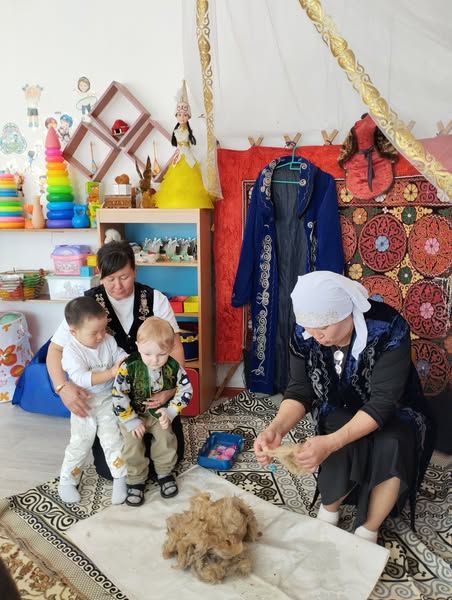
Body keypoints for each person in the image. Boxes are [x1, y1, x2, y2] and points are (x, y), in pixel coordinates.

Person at [254, 271, 434, 543]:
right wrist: (276, 429)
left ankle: (368, 529)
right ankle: (329, 512)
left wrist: (331, 443)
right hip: (341, 403)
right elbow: (300, 390)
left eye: (324, 327)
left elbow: (383, 403)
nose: (316, 335)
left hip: (396, 410)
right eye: (309, 327)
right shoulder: (306, 334)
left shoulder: (387, 328)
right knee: (334, 426)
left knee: (392, 443)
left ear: (346, 311)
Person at [47, 240, 186, 480]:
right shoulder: (86, 305)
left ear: (135, 270)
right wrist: (62, 388)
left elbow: (174, 346)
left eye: (124, 277)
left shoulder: (154, 299)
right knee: (110, 469)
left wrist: (171, 389)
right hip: (110, 398)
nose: (117, 285)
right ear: (99, 274)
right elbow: (55, 350)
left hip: (153, 391)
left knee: (169, 459)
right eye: (110, 279)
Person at [112, 316, 192, 506]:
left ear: (170, 348)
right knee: (132, 444)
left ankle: (164, 472)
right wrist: (131, 420)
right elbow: (118, 395)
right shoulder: (128, 367)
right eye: (147, 354)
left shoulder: (174, 367)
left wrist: (171, 412)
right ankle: (136, 479)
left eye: (161, 354)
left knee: (166, 438)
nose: (154, 360)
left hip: (159, 413)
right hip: (133, 413)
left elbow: (186, 390)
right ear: (138, 346)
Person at [58, 297, 128, 504]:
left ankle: (120, 478)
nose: (100, 336)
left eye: (103, 330)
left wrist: (123, 360)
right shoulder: (71, 351)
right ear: (73, 332)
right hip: (84, 402)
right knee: (80, 442)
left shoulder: (108, 340)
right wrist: (111, 372)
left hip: (108, 398)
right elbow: (81, 378)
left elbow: (119, 353)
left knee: (112, 439)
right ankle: (67, 480)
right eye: (94, 333)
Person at [154, 80, 213, 209]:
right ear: (176, 116)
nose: (182, 117)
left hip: (187, 155)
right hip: (179, 156)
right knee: (176, 181)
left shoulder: (188, 131)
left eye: (185, 115)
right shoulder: (176, 131)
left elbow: (190, 143)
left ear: (188, 116)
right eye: (179, 115)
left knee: (190, 181)